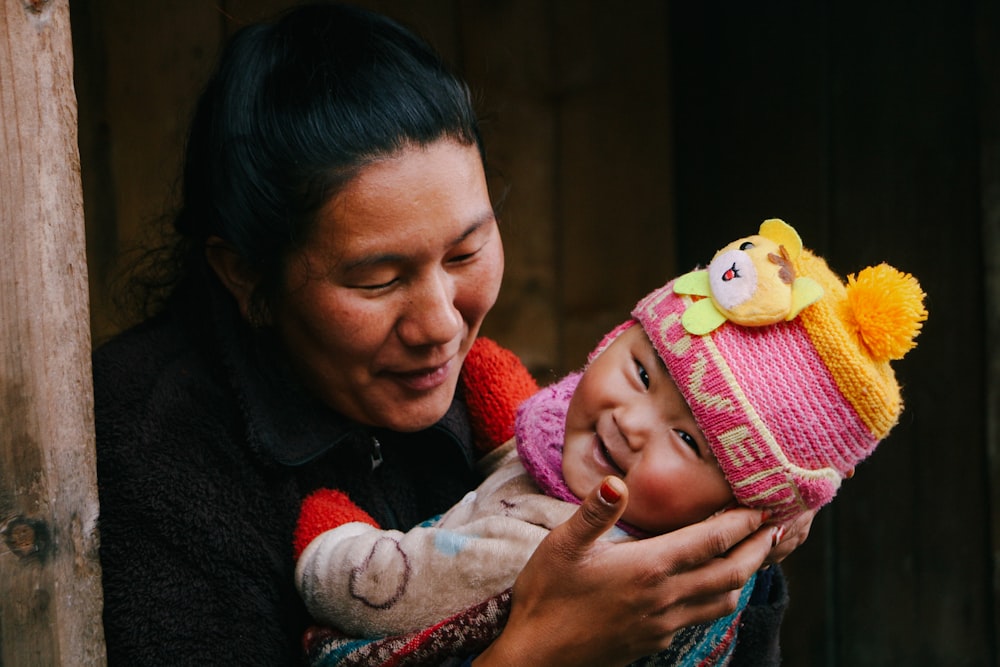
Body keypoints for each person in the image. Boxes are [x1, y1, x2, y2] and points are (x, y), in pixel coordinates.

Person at [92, 3, 808, 665]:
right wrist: (539, 650)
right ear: (246, 276)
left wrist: (735, 544)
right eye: (376, 279)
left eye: (465, 253)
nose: (441, 324)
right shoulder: (151, 448)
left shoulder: (527, 418)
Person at [292, 219, 927, 665]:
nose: (629, 421)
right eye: (642, 372)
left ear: (739, 510)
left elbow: (387, 589)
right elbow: (534, 445)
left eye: (687, 439)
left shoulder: (560, 552)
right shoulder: (605, 471)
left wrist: (336, 540)